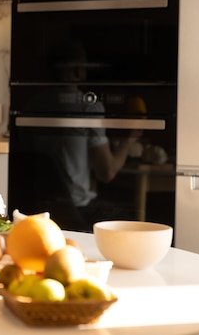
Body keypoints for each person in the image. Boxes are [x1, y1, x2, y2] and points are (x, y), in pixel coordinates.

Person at [20, 39, 141, 230]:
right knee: (130, 213)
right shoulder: (88, 107)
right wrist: (129, 140)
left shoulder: (30, 106)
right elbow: (106, 172)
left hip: (34, 207)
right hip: (75, 209)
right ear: (77, 71)